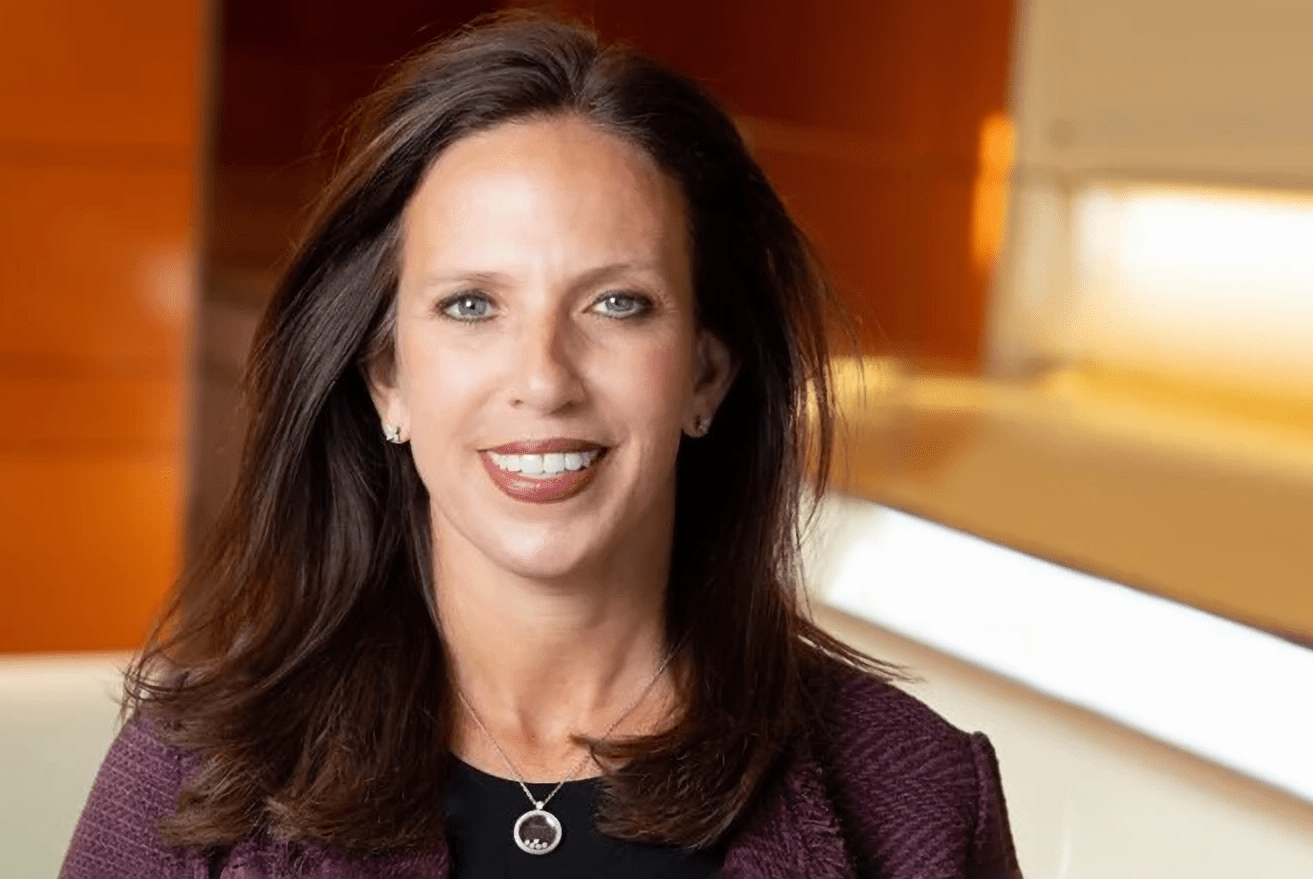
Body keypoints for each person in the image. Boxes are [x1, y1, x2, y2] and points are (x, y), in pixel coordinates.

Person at [61, 11, 1020, 879]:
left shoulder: (921, 797)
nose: (543, 377)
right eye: (471, 305)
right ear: (386, 380)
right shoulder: (190, 776)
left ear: (704, 374)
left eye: (616, 303)